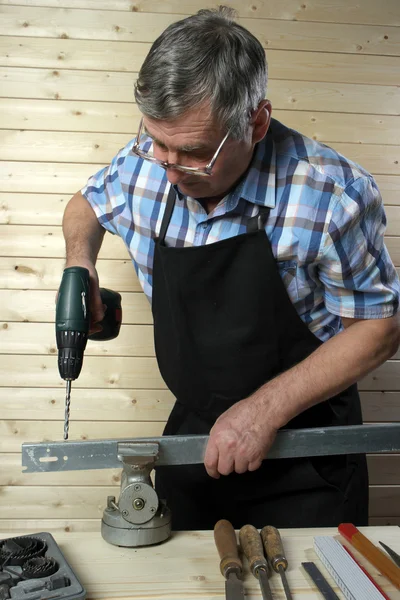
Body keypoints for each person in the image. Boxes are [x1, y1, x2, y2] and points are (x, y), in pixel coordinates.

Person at [62, 6, 400, 530]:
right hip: (195, 441)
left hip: (309, 454)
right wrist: (80, 266)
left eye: (193, 153)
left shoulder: (332, 195)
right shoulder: (145, 165)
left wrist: (264, 410)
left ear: (256, 121)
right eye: (157, 142)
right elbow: (86, 205)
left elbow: (380, 328)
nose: (169, 169)